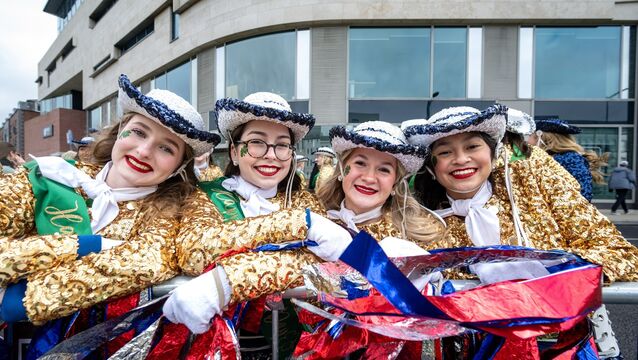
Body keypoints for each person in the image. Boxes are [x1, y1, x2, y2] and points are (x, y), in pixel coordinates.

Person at [0, 74, 220, 357]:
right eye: (139, 132)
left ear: (180, 166)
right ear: (120, 130)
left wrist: (27, 295)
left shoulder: (173, 214)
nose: (144, 151)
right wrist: (91, 246)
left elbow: (146, 262)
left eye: (166, 148)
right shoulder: (56, 175)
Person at [155, 92, 351, 359]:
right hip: (219, 344)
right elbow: (195, 252)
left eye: (282, 145)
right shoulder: (206, 194)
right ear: (235, 152)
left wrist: (226, 280)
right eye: (257, 142)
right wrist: (297, 225)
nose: (271, 156)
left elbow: (323, 266)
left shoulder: (303, 198)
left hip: (290, 344)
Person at [405, 105, 637, 282]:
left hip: (555, 341)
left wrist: (543, 269)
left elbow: (621, 254)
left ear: (493, 153)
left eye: (472, 147)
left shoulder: (532, 176)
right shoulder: (418, 214)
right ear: (432, 166)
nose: (461, 159)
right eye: (445, 152)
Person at [293, 121, 446, 358]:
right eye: (360, 164)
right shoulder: (311, 221)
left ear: (395, 184)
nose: (369, 177)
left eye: (384, 169)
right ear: (342, 170)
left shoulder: (422, 234)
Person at [528, 118, 607, 202]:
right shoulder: (543, 158)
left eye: (530, 136)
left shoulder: (571, 159)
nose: (527, 141)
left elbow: (583, 194)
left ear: (541, 137)